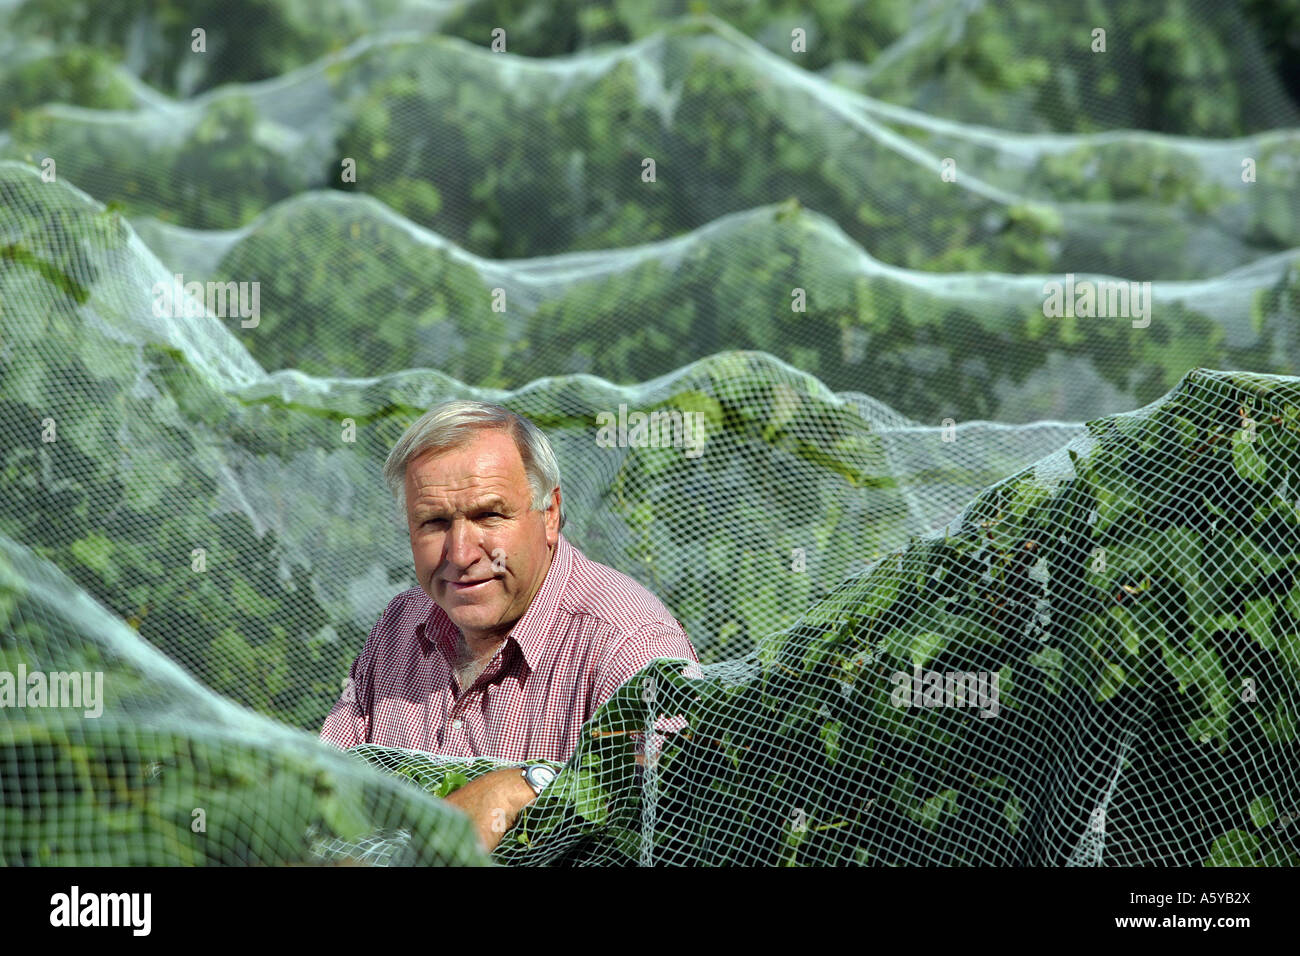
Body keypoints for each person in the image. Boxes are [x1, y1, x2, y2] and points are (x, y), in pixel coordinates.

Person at [319, 399, 699, 850]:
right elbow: (323, 792)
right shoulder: (401, 626)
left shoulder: (629, 645)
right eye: (435, 522)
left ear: (550, 514)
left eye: (488, 515)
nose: (460, 554)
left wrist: (525, 785)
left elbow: (672, 814)